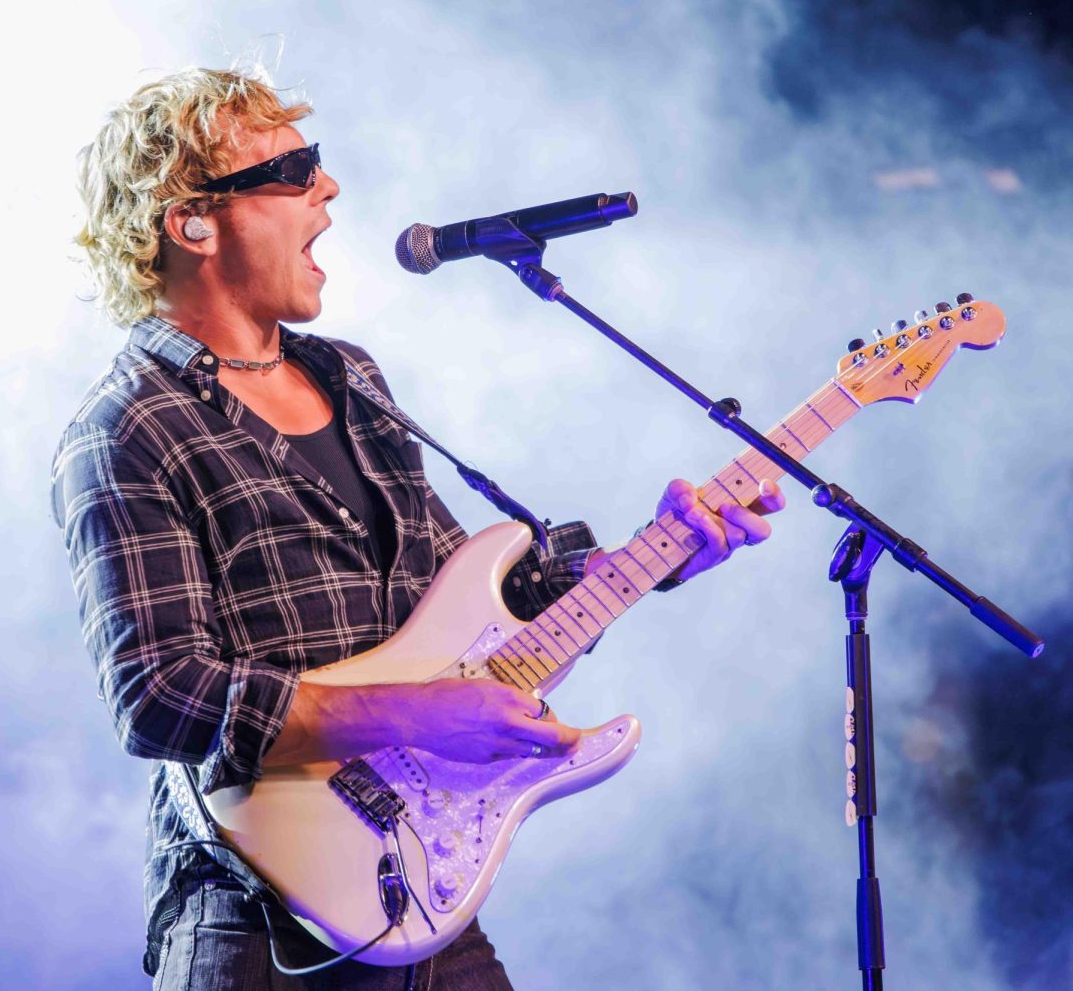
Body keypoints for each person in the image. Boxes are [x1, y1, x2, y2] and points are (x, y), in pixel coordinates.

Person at [51, 66, 785, 991]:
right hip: (254, 913)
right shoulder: (130, 425)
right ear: (193, 221)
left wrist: (662, 550)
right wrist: (420, 713)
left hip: (418, 889)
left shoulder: (349, 377)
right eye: (294, 169)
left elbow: (475, 611)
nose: (330, 187)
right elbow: (158, 695)